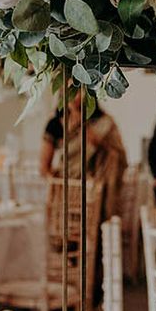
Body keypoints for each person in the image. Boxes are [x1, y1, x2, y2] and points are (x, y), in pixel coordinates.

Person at [40, 91, 127, 220]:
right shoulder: (55, 124)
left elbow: (116, 154)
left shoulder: (103, 122)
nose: (75, 96)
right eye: (69, 90)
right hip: (66, 190)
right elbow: (44, 167)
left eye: (78, 90)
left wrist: (86, 129)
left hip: (97, 191)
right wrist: (57, 185)